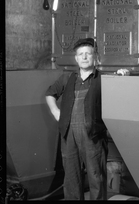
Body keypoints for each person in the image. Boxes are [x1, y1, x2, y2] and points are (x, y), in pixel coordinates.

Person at [45, 38, 108, 200]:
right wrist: (55, 111)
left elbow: (122, 88)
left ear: (96, 57)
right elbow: (50, 94)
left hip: (92, 135)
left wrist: (123, 75)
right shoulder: (67, 78)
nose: (84, 57)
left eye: (88, 54)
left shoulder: (104, 79)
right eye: (81, 54)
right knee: (71, 177)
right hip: (68, 134)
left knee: (96, 176)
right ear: (76, 58)